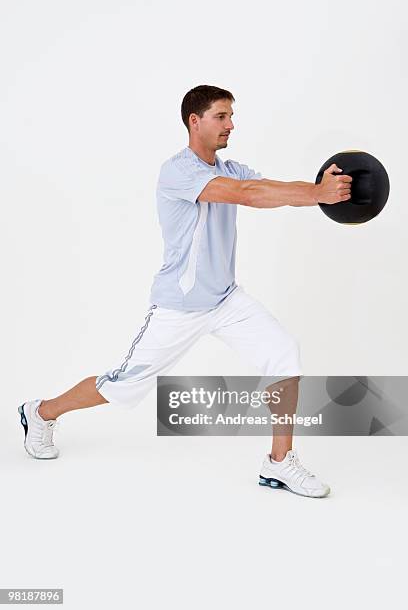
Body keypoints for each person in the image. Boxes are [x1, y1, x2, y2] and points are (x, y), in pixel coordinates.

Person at [18, 85, 352, 498]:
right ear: (194, 121)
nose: (231, 124)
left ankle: (280, 463)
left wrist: (319, 191)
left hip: (226, 299)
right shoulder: (178, 171)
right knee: (122, 385)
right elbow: (246, 196)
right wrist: (318, 194)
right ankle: (41, 412)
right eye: (221, 116)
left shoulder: (233, 168)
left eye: (231, 116)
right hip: (180, 306)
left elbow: (268, 188)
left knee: (283, 351)